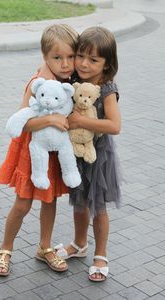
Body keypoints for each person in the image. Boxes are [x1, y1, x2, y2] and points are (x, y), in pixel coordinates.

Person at [0, 24, 79, 276]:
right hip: (31, 153)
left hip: (53, 154)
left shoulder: (67, 83)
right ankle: (5, 248)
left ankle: (45, 247)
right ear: (45, 57)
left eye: (70, 57)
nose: (65, 63)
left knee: (50, 200)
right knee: (22, 204)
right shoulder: (38, 83)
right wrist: (51, 120)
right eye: (57, 57)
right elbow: (23, 119)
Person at [55, 26, 122, 282]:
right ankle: (79, 243)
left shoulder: (107, 89)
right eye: (80, 55)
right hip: (76, 154)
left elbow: (114, 126)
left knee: (99, 207)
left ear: (107, 64)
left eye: (93, 60)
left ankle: (101, 254)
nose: (83, 63)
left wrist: (80, 122)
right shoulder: (72, 81)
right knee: (79, 202)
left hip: (99, 156)